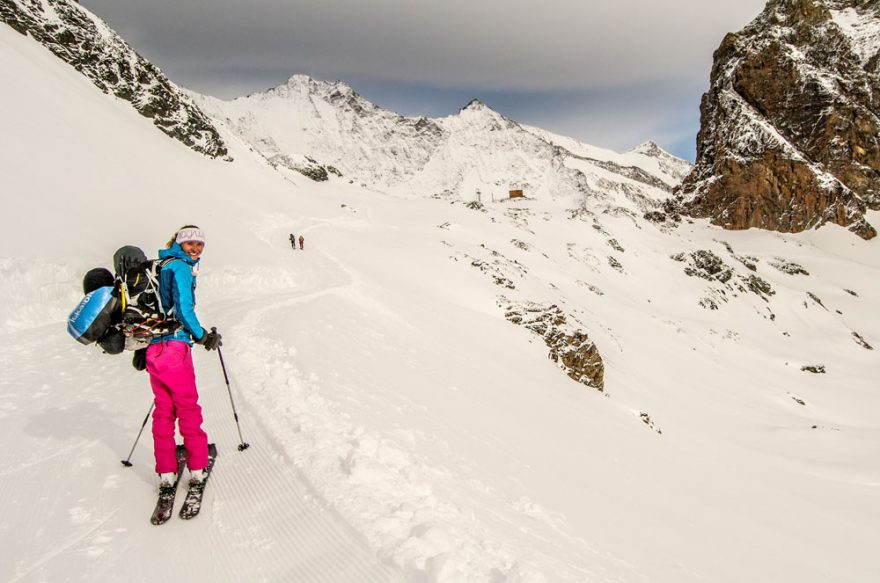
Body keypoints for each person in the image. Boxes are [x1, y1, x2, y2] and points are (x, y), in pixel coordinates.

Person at [138, 225, 222, 492]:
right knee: (187, 407)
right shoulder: (181, 268)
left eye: (200, 244)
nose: (195, 248)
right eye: (190, 244)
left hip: (154, 348)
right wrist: (202, 336)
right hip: (175, 349)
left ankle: (166, 472)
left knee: (163, 411)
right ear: (179, 243)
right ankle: (197, 468)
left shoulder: (161, 265)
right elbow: (184, 309)